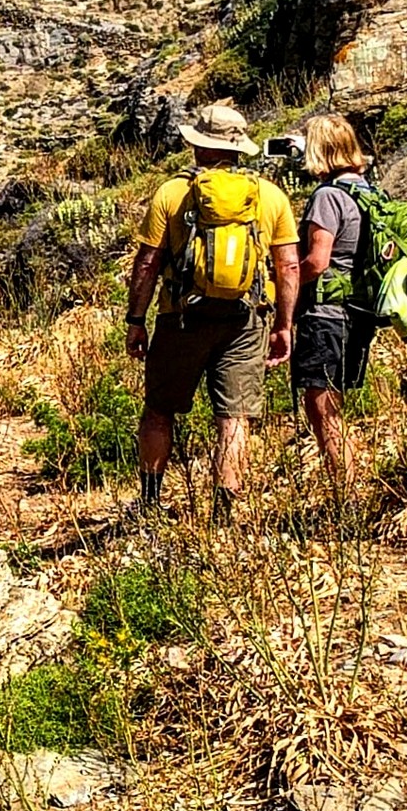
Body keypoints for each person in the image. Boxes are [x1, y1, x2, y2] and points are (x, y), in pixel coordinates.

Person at [123, 100, 300, 519]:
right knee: (234, 416)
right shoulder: (270, 196)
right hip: (246, 319)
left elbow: (147, 262)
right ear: (239, 149)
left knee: (159, 410)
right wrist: (284, 324)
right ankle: (225, 510)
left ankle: (149, 502)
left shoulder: (173, 192)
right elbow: (288, 264)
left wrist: (136, 320)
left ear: (199, 147)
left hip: (181, 316)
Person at [292, 113, 381, 493]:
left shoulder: (328, 197)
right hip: (358, 313)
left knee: (321, 406)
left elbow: (317, 260)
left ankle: (346, 492)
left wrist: (284, 283)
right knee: (335, 403)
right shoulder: (369, 193)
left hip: (326, 314)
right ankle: (350, 484)